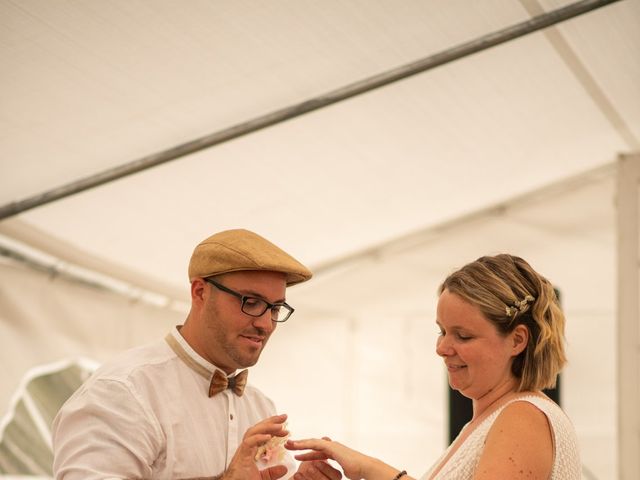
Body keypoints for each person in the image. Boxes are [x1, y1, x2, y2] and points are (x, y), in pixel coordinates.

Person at [52, 228, 342, 480]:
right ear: (200, 292)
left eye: (275, 308)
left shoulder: (259, 406)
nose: (265, 324)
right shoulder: (124, 390)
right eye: (251, 302)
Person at [285, 254, 581, 479]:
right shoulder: (487, 421)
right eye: (442, 331)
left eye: (463, 336)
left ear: (517, 340)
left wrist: (369, 468)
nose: (442, 348)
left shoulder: (523, 417)